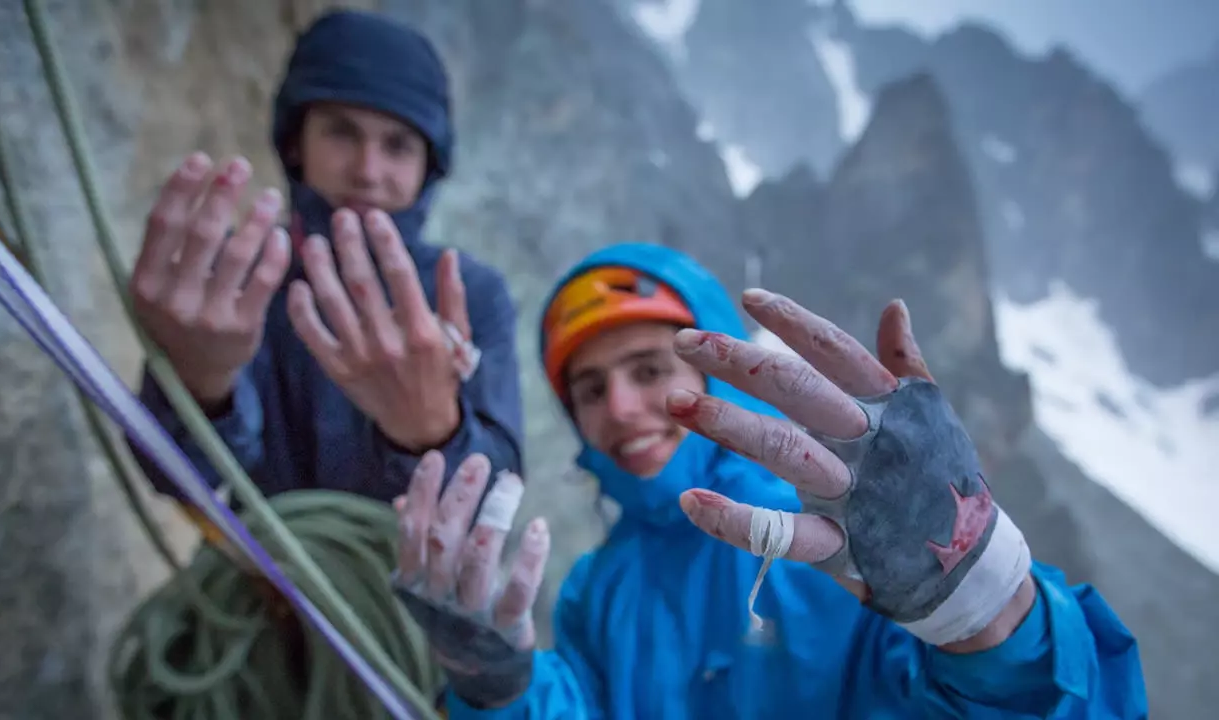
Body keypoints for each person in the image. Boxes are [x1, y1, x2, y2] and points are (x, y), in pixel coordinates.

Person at [387, 242, 1148, 718]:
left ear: (719, 371)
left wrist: (984, 608)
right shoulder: (596, 589)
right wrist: (498, 690)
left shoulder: (841, 543)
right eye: (589, 389)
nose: (618, 408)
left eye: (649, 370)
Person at [125, 10, 523, 520]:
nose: (367, 170)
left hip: (406, 577)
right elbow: (172, 476)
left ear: (429, 165)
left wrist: (432, 432)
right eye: (341, 132)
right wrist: (202, 380)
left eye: (397, 145)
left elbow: (499, 500)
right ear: (296, 142)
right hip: (265, 569)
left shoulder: (472, 293)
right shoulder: (240, 280)